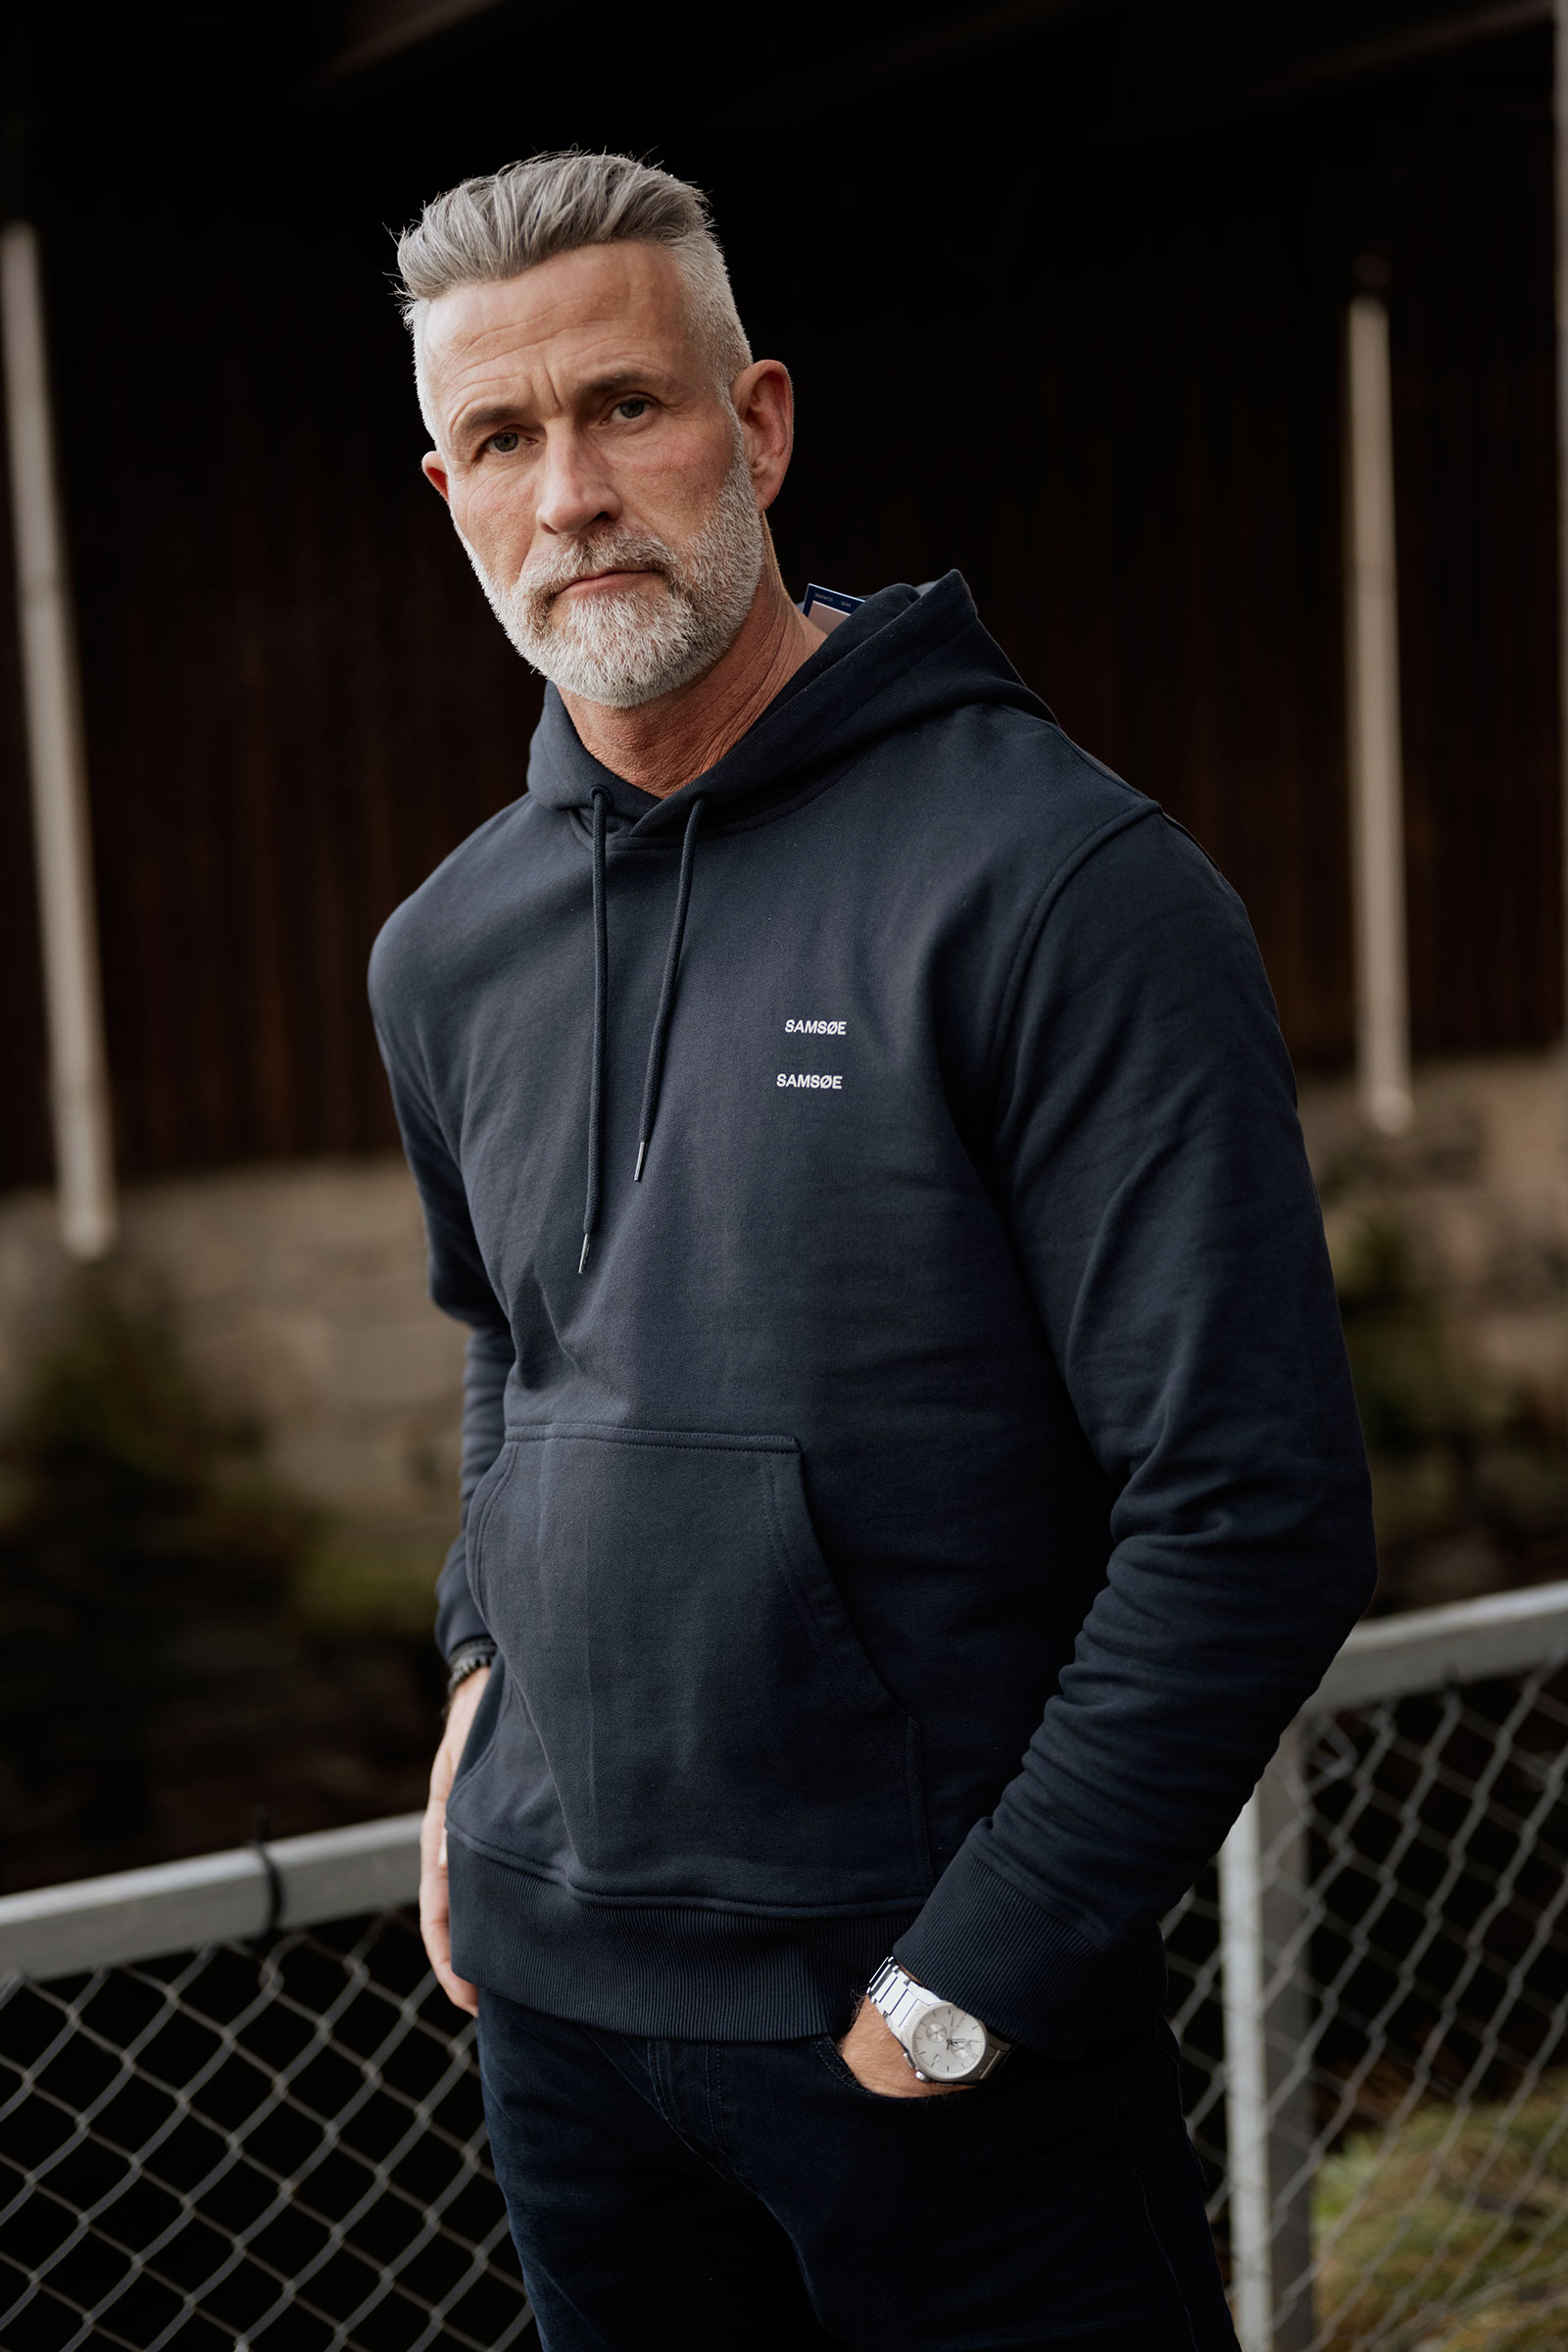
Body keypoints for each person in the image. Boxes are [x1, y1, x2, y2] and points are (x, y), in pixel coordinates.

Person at [369, 150, 1376, 2352]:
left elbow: (1253, 1506)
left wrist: (971, 1979)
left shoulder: (1062, 888)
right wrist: (476, 1681)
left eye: (626, 407)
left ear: (758, 423)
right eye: (503, 439)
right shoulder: (445, 950)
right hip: (558, 2028)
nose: (571, 494)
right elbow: (513, 1347)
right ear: (448, 490)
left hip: (930, 2047)